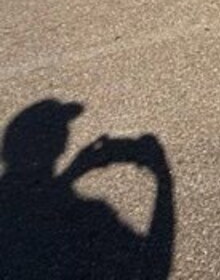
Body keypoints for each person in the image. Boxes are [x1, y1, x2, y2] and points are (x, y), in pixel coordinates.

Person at [0, 99, 175, 279]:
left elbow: (32, 215)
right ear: (60, 144)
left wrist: (73, 172)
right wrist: (163, 177)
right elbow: (155, 267)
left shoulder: (11, 208)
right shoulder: (87, 215)